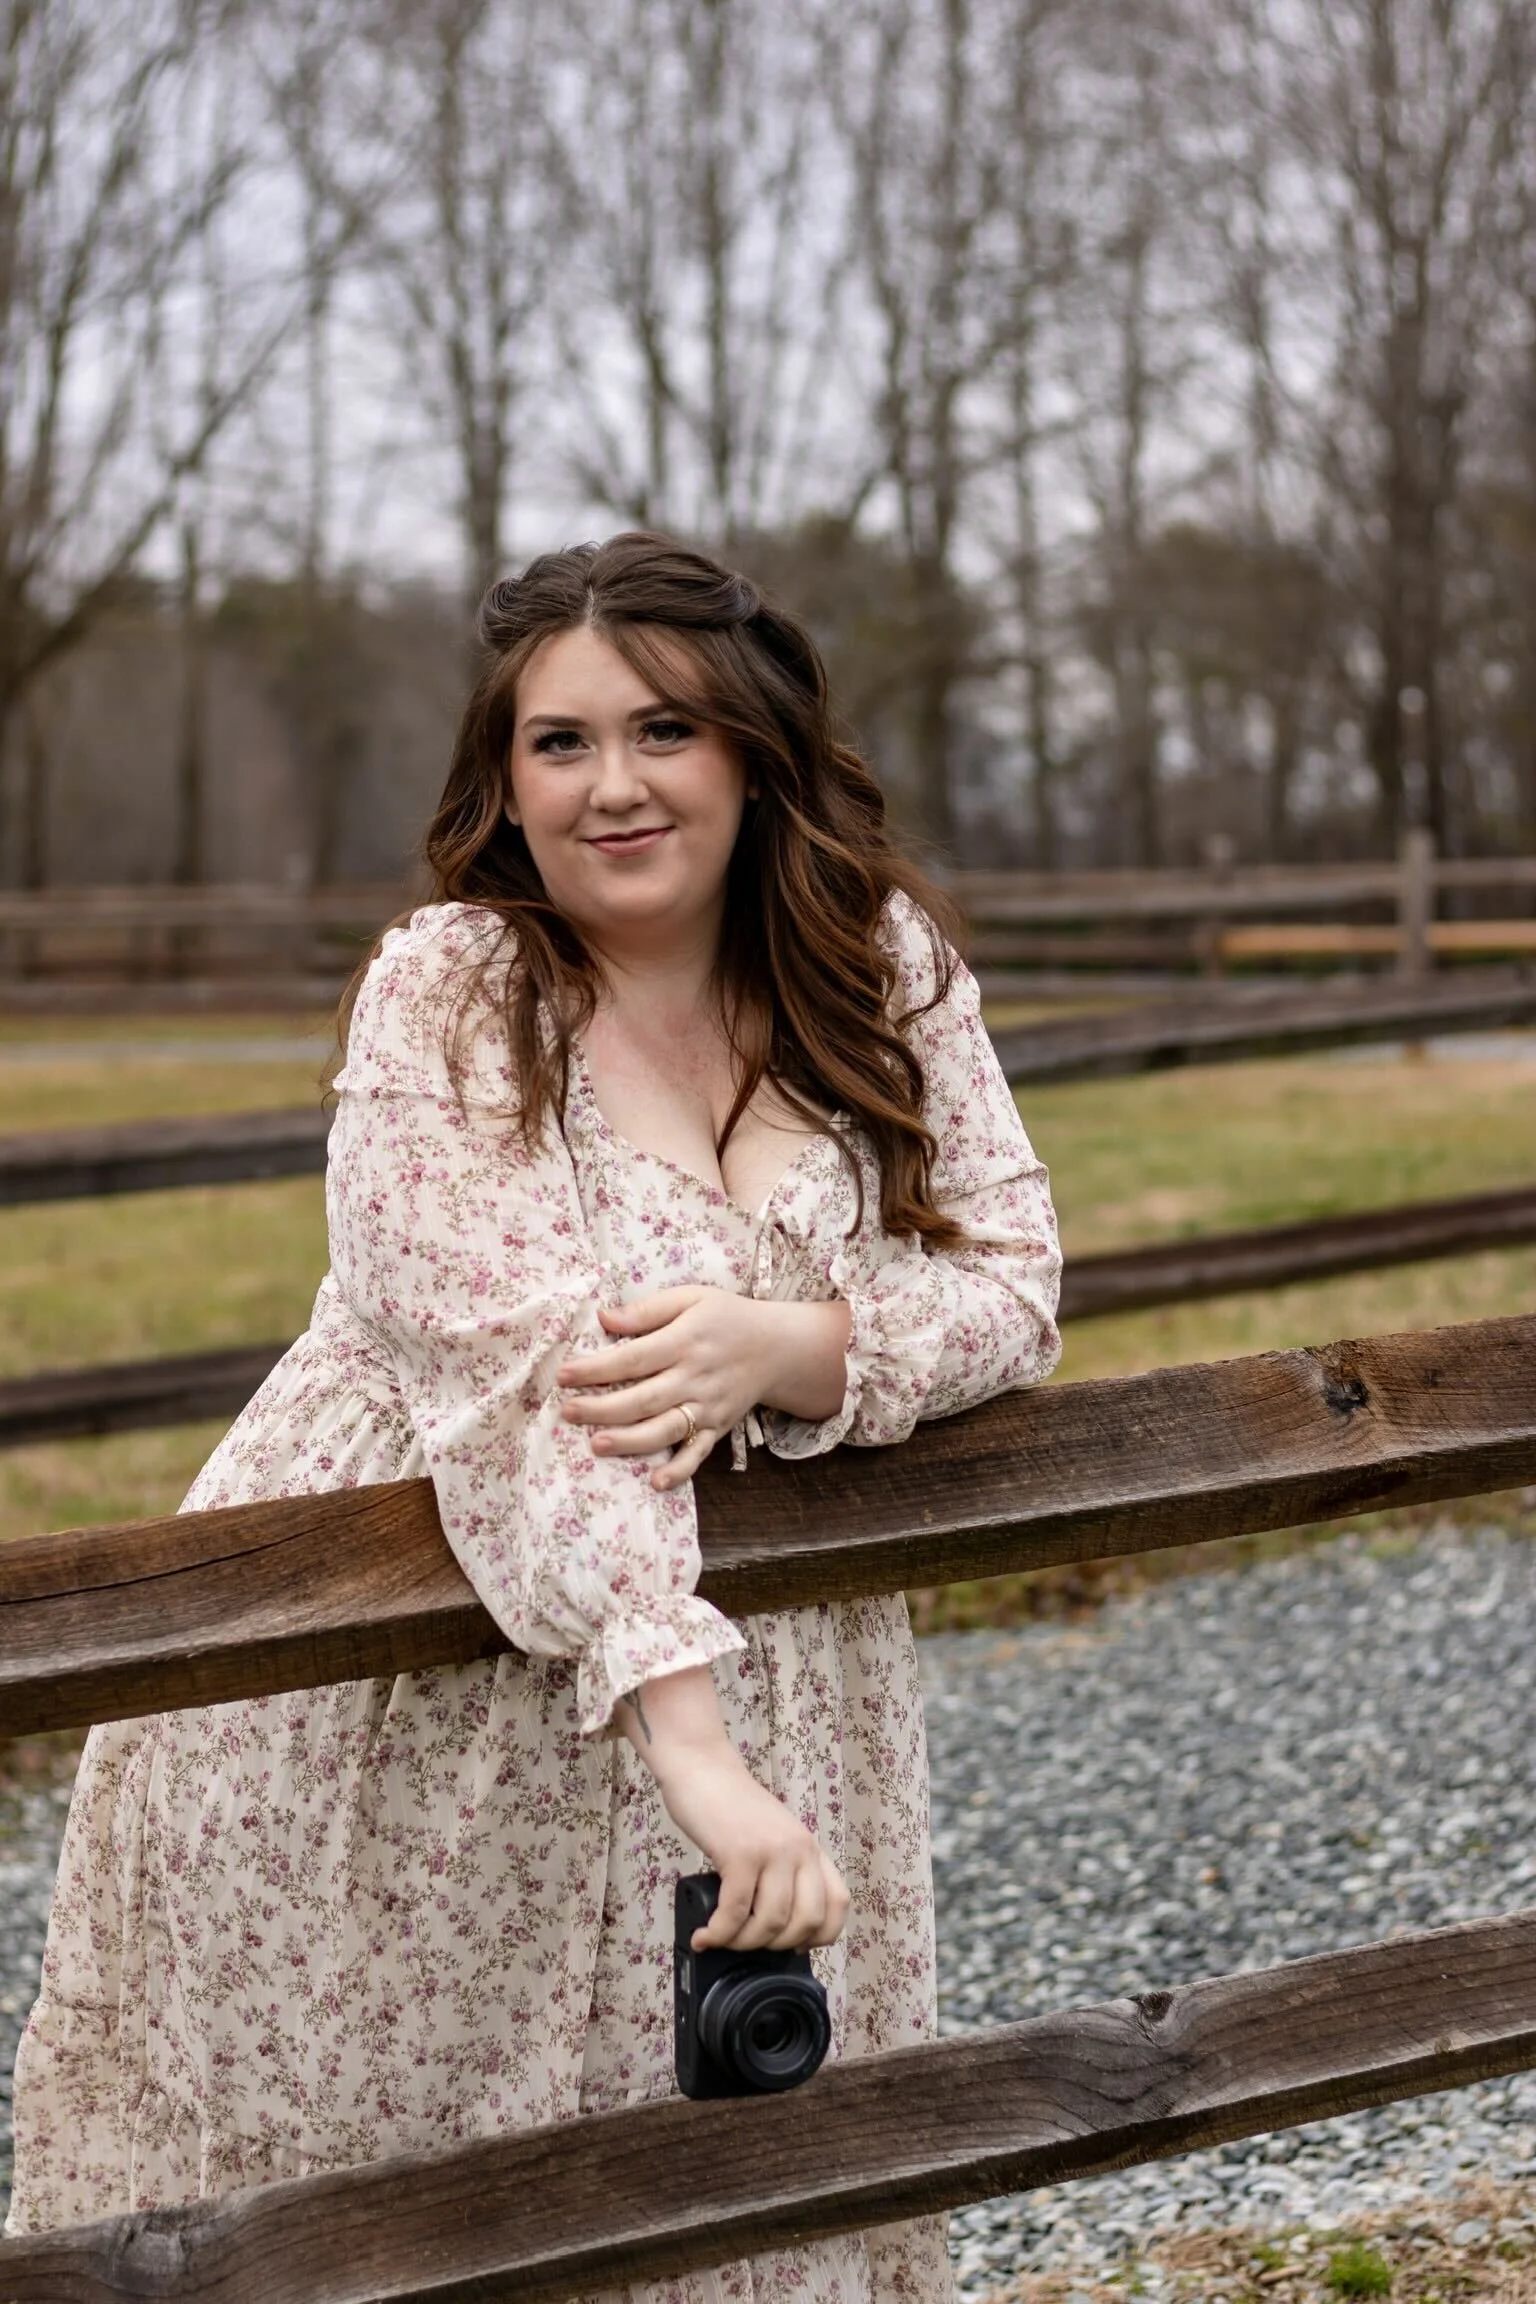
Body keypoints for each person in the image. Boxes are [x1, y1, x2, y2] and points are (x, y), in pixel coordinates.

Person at [5, 533, 1061, 2299]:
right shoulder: (457, 993)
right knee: (394, 2196)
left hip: (784, 1676)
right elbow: (521, 1380)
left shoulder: (877, 967)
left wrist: (782, 1346)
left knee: (749, 2178)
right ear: (504, 779)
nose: (613, 786)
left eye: (664, 731)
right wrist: (696, 1753)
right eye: (559, 743)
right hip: (425, 1673)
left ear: (753, 750)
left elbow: (1013, 1284)